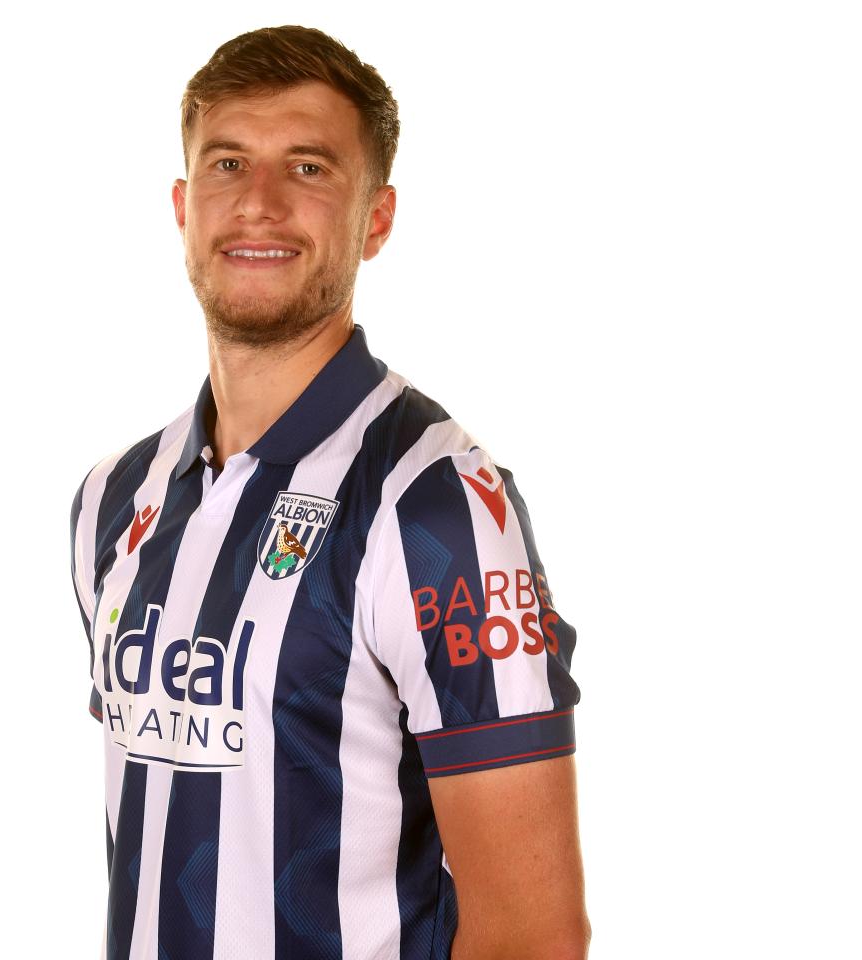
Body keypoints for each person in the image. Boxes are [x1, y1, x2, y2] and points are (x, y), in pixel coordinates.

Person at [70, 25, 589, 960]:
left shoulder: (437, 505)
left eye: (308, 168)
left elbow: (534, 935)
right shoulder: (116, 499)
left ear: (376, 219)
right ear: (184, 207)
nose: (259, 204)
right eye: (229, 164)